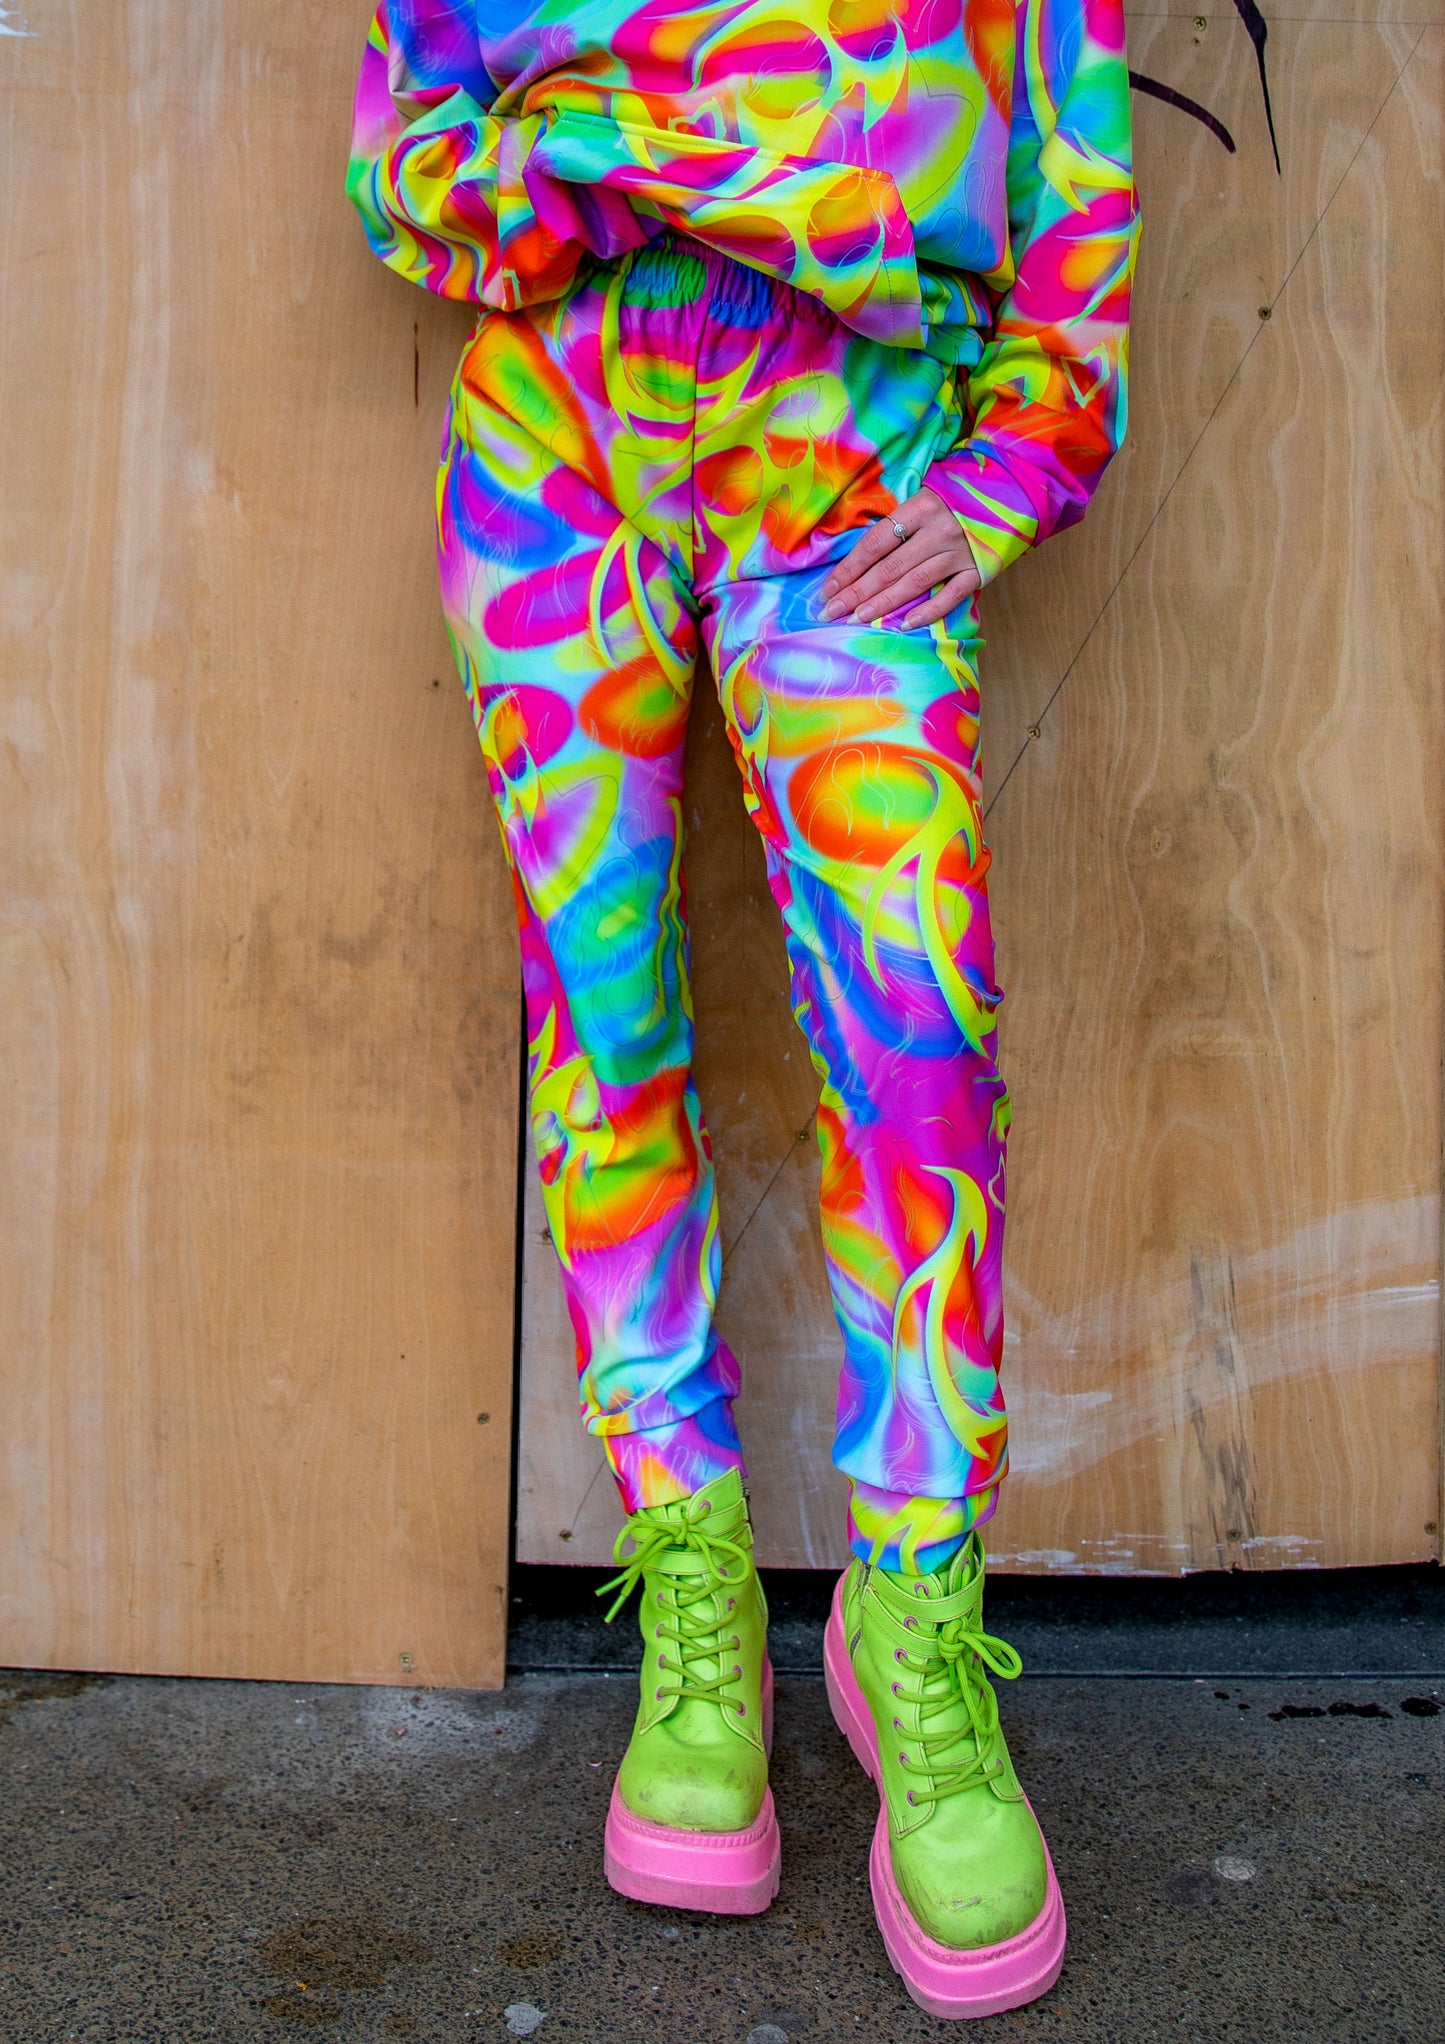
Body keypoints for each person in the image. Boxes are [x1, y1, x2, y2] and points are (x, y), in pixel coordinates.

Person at [348, 0, 1136, 2018]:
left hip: (846, 475)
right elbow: (399, 172)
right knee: (605, 1035)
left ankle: (912, 1617)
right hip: (560, 459)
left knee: (916, 1054)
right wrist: (609, 168)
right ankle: (691, 1585)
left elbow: (1072, 195)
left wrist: (1014, 464)